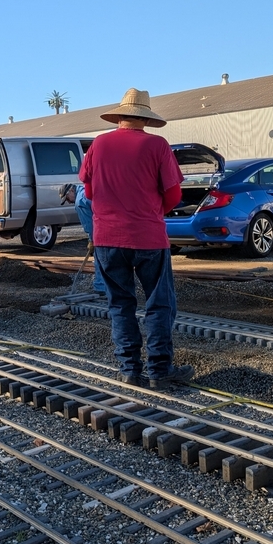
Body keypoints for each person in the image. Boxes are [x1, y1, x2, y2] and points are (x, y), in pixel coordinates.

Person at [79, 88, 193, 390]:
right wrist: (151, 211)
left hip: (107, 238)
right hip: (148, 238)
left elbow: (89, 192)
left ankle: (129, 370)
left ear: (120, 117)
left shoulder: (98, 145)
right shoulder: (157, 146)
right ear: (145, 118)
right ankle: (159, 371)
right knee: (159, 303)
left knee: (120, 304)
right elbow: (174, 195)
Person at [60, 183, 105, 297]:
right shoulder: (86, 190)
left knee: (100, 259)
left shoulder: (80, 202)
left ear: (71, 191)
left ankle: (101, 288)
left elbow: (89, 225)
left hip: (101, 233)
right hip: (112, 226)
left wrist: (92, 240)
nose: (68, 202)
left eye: (67, 198)